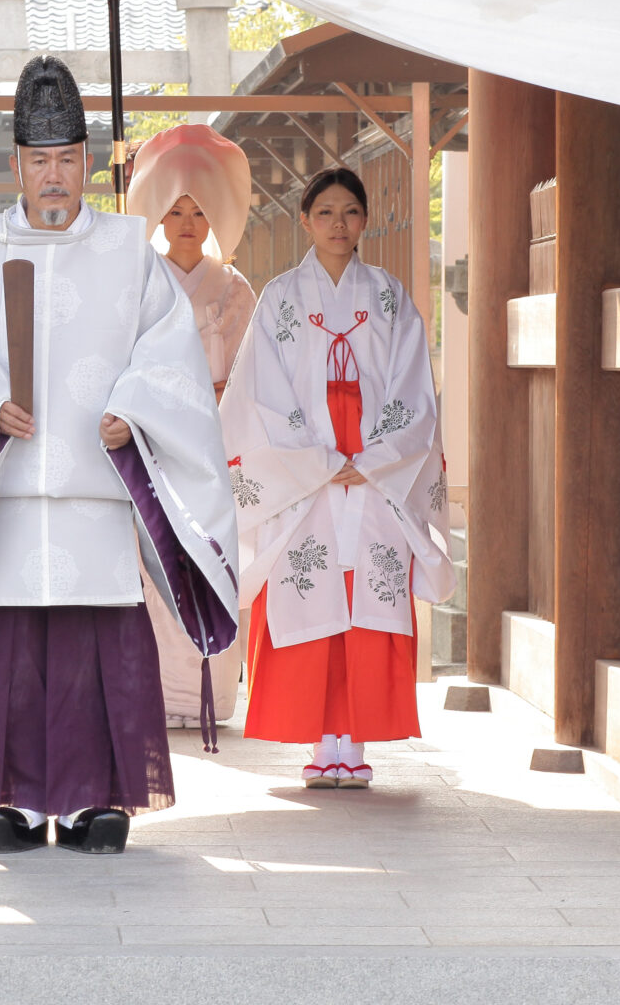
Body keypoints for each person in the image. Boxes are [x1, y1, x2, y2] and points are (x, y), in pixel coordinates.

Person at [0, 55, 240, 855]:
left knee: (98, 653)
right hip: (8, 490)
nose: (53, 176)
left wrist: (136, 406)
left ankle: (98, 799)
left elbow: (170, 354)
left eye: (66, 159)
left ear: (86, 162)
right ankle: (8, 802)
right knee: (10, 652)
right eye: (38, 160)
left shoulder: (129, 250)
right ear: (16, 163)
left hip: (95, 487)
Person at [219, 167, 453, 790]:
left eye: (350, 212)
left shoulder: (389, 296)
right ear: (305, 220)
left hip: (376, 470)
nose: (338, 224)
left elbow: (412, 386)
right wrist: (318, 459)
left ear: (365, 220)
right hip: (305, 471)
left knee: (366, 597)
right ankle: (323, 744)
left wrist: (372, 458)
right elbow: (260, 389)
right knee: (311, 592)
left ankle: (356, 740)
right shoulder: (279, 298)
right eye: (325, 213)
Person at [125, 124, 257, 729]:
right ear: (156, 215)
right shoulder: (134, 283)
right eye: (174, 209)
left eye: (198, 210)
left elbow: (252, 375)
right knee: (153, 569)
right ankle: (158, 693)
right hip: (151, 446)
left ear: (214, 219)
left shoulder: (234, 289)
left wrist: (209, 401)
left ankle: (211, 694)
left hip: (214, 444)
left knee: (211, 561)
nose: (185, 221)